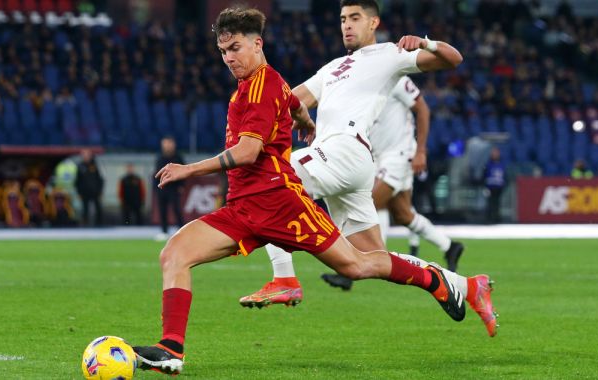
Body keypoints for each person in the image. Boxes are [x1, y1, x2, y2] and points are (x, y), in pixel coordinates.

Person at [131, 6, 469, 375]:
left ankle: (433, 279)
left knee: (356, 264)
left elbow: (248, 152)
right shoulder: (274, 82)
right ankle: (171, 348)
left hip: (281, 204)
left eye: (236, 48)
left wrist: (190, 169)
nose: (229, 58)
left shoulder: (263, 86)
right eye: (224, 51)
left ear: (257, 44)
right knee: (175, 253)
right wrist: (306, 121)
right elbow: (293, 102)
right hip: (243, 208)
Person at [240, 0, 494, 337]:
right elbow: (290, 100)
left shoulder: (388, 54)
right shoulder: (332, 68)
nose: (347, 25)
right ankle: (466, 285)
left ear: (373, 22)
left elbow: (453, 58)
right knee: (364, 260)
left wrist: (425, 42)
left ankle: (284, 277)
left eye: (355, 18)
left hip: (345, 149)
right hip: (347, 163)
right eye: (343, 18)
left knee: (270, 179)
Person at [322, 75, 465, 296]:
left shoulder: (396, 78)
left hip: (399, 155)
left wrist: (421, 151)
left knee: (366, 204)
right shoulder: (363, 83)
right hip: (381, 157)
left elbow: (423, 110)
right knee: (403, 215)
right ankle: (449, 246)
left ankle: (353, 268)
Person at [154, 136, 185, 237]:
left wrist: (181, 185)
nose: (167, 145)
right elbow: (155, 174)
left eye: (169, 143)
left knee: (176, 209)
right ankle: (164, 231)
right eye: (165, 143)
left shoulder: (178, 157)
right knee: (162, 210)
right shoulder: (159, 157)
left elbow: (184, 171)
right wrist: (156, 187)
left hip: (174, 188)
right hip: (162, 188)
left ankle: (181, 229)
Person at [75, 149, 104, 226]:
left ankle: (99, 224)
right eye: (84, 155)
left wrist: (100, 190)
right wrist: (79, 192)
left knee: (98, 208)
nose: (85, 156)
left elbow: (100, 179)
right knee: (85, 209)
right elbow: (77, 181)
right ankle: (85, 224)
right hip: (84, 192)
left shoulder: (95, 165)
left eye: (87, 154)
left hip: (95, 191)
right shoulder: (80, 166)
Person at [484, 147, 506, 223]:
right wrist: (485, 186)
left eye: (496, 153)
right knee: (490, 203)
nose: (495, 154)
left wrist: (504, 184)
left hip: (499, 187)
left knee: (497, 203)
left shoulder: (501, 164)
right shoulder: (488, 164)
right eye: (493, 153)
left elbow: (504, 176)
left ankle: (497, 218)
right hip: (490, 187)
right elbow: (485, 175)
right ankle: (489, 218)